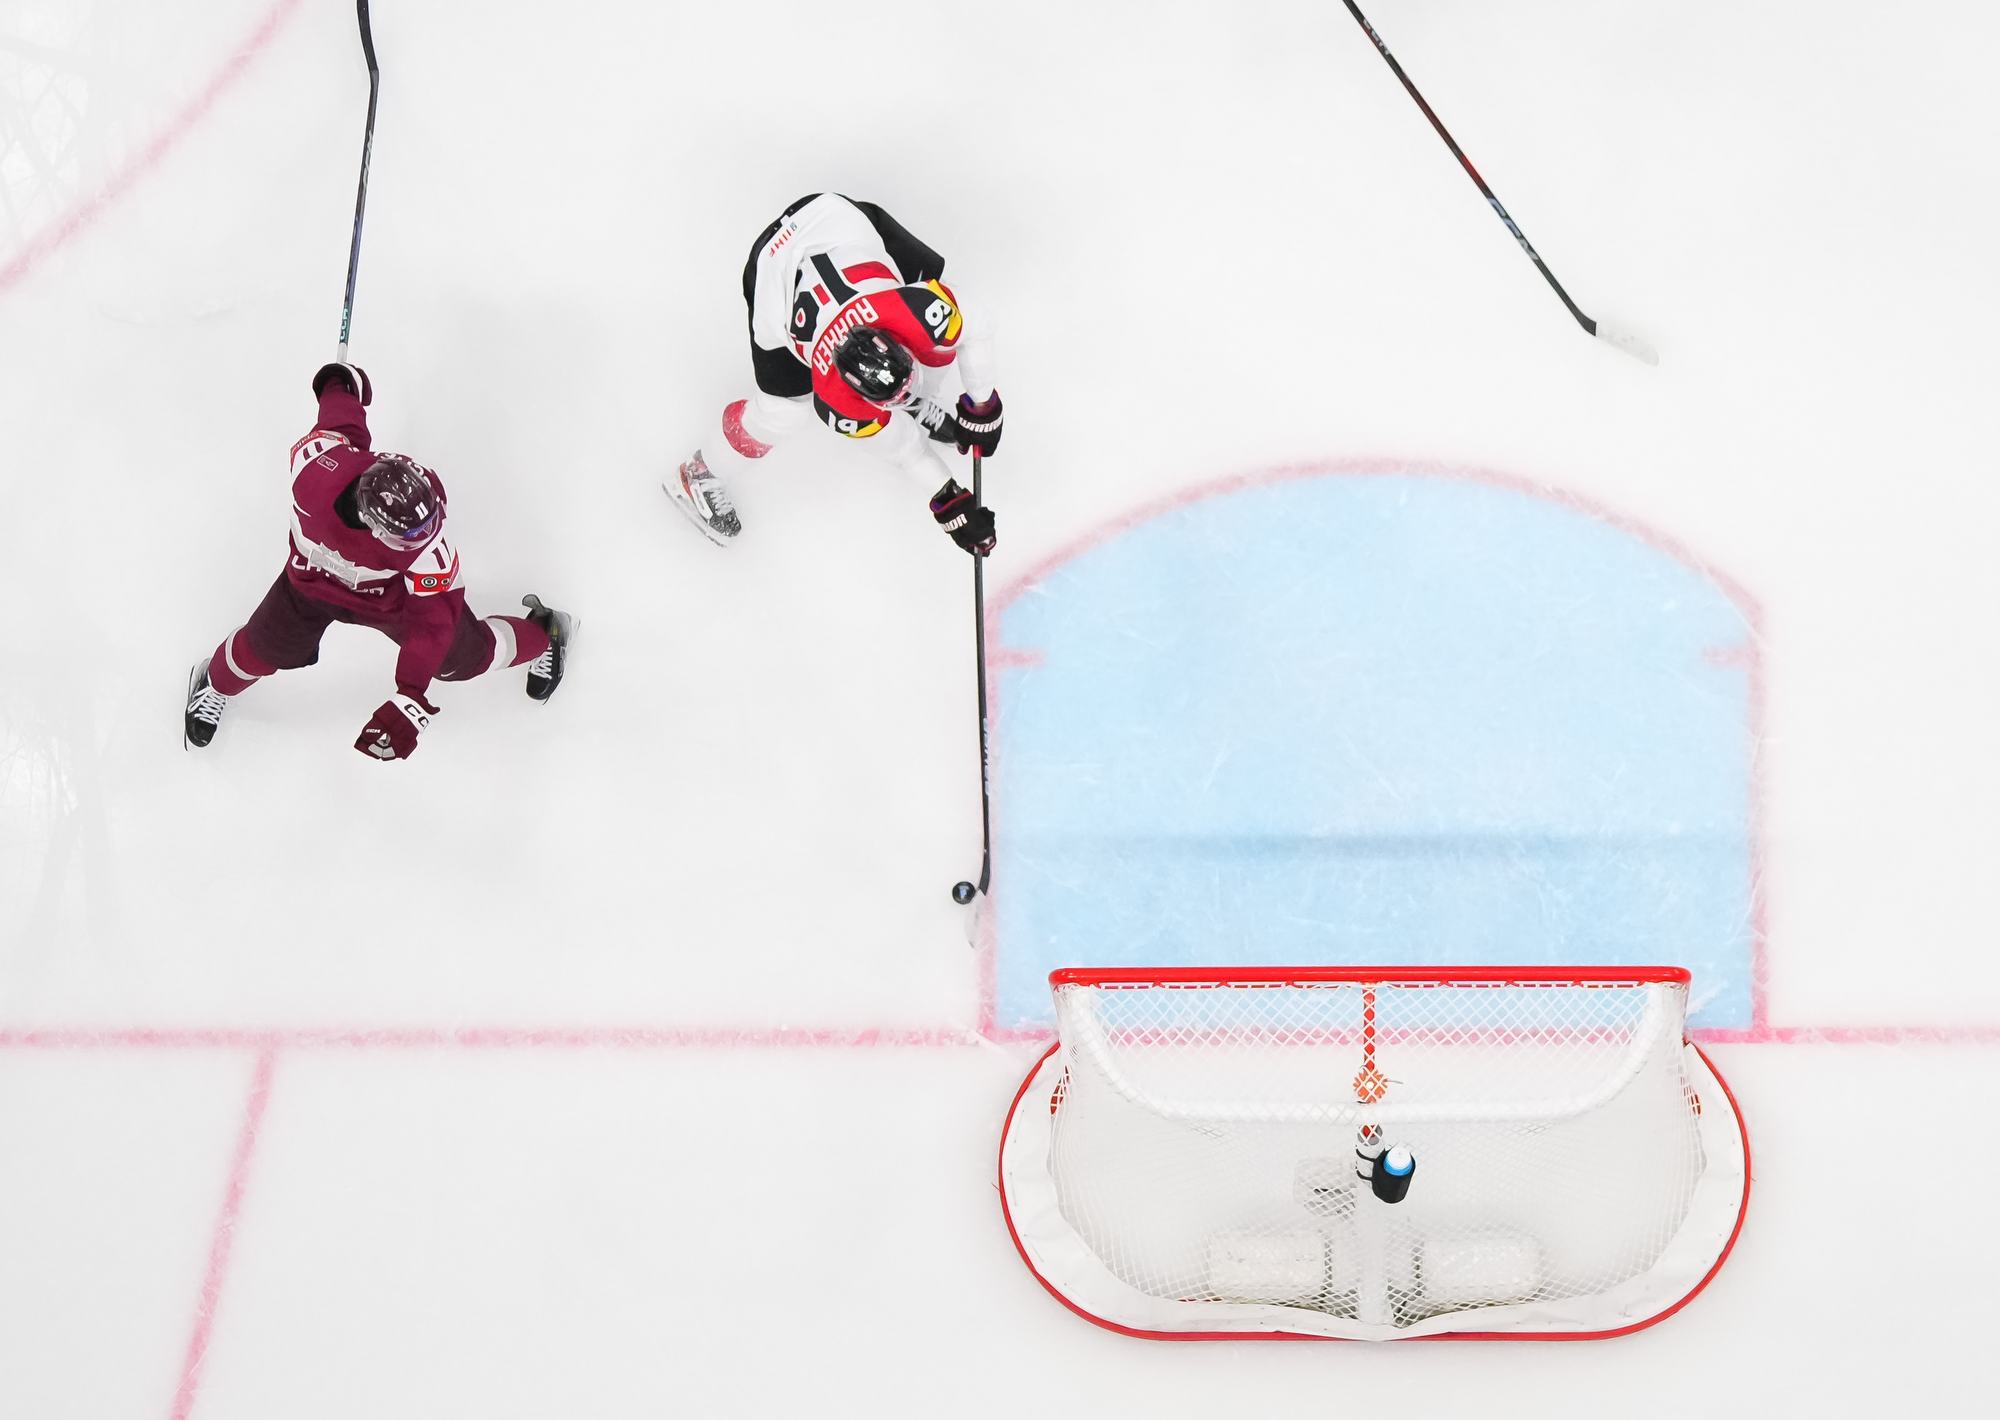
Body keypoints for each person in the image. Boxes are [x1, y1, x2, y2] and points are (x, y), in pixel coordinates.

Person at [182, 362, 574, 758]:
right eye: (407, 537)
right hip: (309, 587)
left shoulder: (427, 545)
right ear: (371, 523)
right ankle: (213, 683)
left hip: (389, 601)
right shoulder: (313, 470)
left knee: (461, 659)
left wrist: (411, 692)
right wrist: (339, 383)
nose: (426, 539)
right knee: (264, 646)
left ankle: (545, 634)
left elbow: (432, 625)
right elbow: (341, 424)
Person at [664, 192, 1003, 556]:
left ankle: (917, 403)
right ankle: (700, 472)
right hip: (773, 271)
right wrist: (948, 500)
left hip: (830, 218)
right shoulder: (837, 400)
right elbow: (906, 451)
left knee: (944, 326)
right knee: (782, 415)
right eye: (896, 398)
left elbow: (976, 326)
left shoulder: (912, 308)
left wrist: (982, 406)